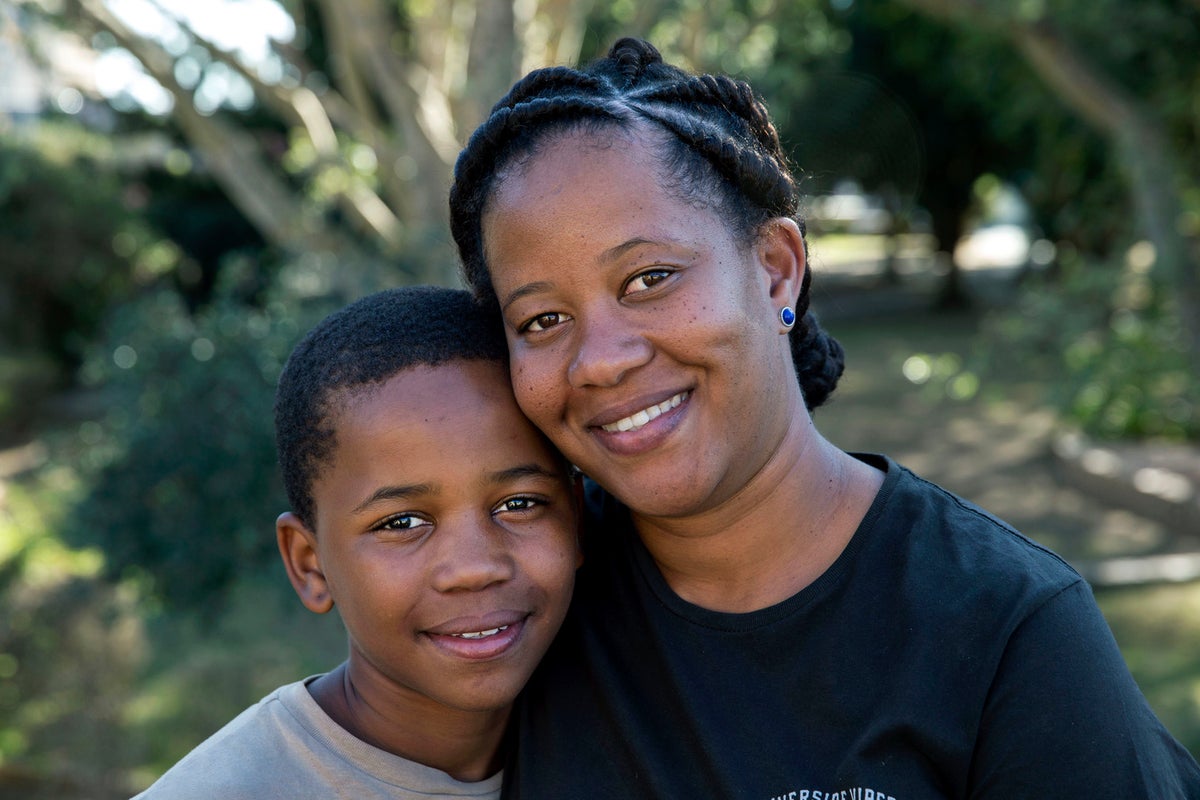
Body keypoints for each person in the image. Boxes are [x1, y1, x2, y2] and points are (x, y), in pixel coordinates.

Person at [448, 37, 1200, 798]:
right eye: (542, 320)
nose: (601, 360)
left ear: (776, 267)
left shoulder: (1007, 631)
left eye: (650, 278)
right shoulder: (518, 607)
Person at [132, 286, 579, 799]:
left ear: (576, 520)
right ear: (310, 564)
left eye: (518, 504)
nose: (475, 568)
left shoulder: (618, 727)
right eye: (403, 522)